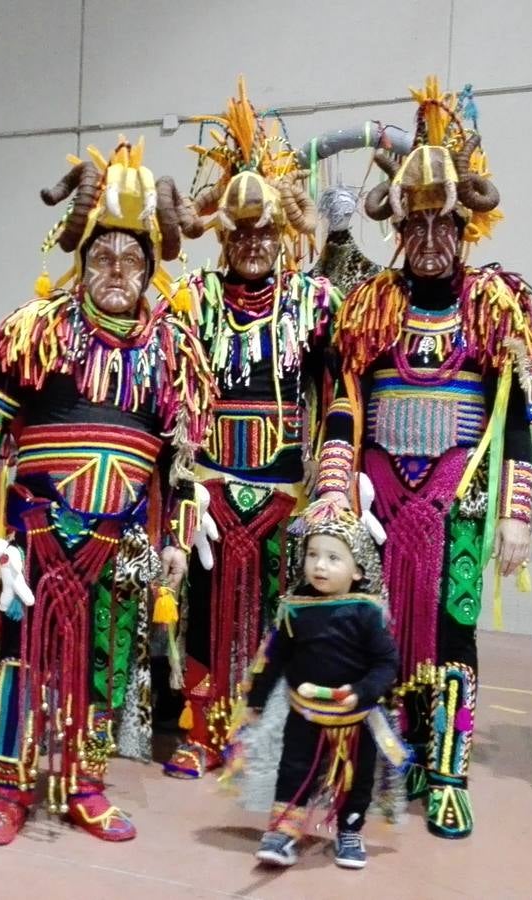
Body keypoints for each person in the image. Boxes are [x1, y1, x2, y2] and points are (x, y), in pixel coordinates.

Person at [311, 78, 532, 839]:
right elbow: (345, 403)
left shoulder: (494, 303)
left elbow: (515, 417)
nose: (429, 237)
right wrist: (336, 487)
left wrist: (516, 514)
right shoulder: (370, 304)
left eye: (442, 221)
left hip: (460, 495)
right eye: (415, 221)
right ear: (398, 226)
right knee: (375, 626)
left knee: (452, 630)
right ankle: (396, 755)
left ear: (464, 223)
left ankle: (447, 772)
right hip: (379, 497)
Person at [0, 139, 215, 846]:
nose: (117, 272)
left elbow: (181, 462)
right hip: (36, 535)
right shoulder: (37, 330)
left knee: (106, 662)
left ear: (151, 270)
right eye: (104, 256)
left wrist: (175, 538)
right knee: (22, 656)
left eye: (132, 259)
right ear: (82, 260)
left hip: (120, 542)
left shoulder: (173, 351)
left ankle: (84, 783)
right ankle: (9, 788)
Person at [163, 78, 341, 779]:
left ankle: (264, 734)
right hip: (209, 492)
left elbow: (339, 396)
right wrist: (182, 488)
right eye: (239, 232)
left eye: (265, 231)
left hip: (285, 495)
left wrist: (331, 482)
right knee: (207, 612)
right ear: (223, 235)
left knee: (276, 617)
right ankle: (201, 728)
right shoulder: (195, 298)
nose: (253, 244)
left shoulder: (313, 302)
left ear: (283, 233)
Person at [239, 508, 398, 870]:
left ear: (358, 570)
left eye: (333, 558)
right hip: (305, 714)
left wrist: (363, 690)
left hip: (354, 719)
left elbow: (387, 663)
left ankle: (350, 830)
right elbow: (274, 658)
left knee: (355, 778)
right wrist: (257, 698)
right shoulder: (295, 610)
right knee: (293, 770)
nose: (319, 566)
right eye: (312, 555)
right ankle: (283, 832)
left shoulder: (367, 613)